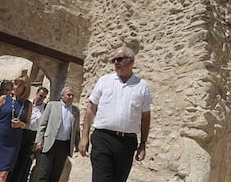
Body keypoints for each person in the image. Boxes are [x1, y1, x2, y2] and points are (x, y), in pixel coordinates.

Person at [79, 46, 153, 182]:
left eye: (119, 59)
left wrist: (143, 143)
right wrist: (84, 136)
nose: (115, 63)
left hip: (127, 143)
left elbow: (146, 117)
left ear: (130, 61)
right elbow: (91, 108)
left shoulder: (142, 86)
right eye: (113, 60)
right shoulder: (104, 81)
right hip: (103, 138)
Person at [0, 75, 32, 182]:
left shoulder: (28, 105)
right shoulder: (3, 99)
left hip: (12, 142)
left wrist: (21, 125)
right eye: (15, 83)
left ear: (25, 89)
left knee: (3, 175)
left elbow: (28, 124)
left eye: (19, 85)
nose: (15, 87)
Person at [35, 87, 80, 182]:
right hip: (50, 143)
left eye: (72, 95)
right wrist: (39, 141)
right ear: (62, 95)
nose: (71, 97)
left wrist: (77, 145)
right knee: (44, 173)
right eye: (68, 95)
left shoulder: (75, 111)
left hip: (64, 146)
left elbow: (76, 131)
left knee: (56, 174)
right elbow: (43, 124)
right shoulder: (52, 105)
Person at [7, 86, 49, 182]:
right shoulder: (27, 103)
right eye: (40, 95)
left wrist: (38, 141)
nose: (41, 98)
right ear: (37, 93)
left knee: (22, 162)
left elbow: (44, 126)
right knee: (11, 158)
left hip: (32, 136)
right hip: (20, 131)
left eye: (44, 97)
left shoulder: (45, 109)